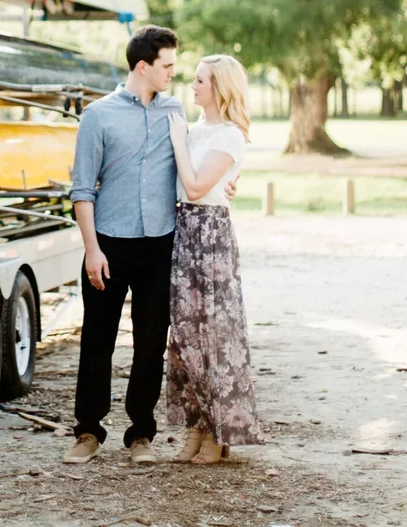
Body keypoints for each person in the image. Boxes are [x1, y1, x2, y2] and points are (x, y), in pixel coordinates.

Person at [63, 25, 183, 465]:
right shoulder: (98, 115)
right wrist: (93, 250)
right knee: (98, 341)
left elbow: (193, 166)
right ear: (143, 66)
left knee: (151, 343)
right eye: (167, 65)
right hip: (109, 245)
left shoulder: (175, 110)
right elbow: (82, 190)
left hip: (159, 246)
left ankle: (141, 435)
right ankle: (88, 432)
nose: (173, 73)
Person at [165, 54, 264, 463]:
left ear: (219, 87)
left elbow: (196, 186)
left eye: (200, 80)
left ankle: (217, 432)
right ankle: (196, 426)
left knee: (215, 336)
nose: (192, 85)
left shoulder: (230, 135)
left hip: (210, 234)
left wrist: (177, 142)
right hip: (184, 231)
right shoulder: (198, 129)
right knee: (185, 337)